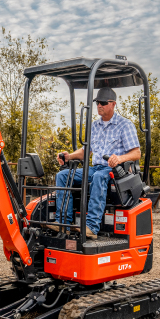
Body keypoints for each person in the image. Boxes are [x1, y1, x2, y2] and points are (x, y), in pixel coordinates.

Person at [48, 87, 141, 240]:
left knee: (99, 177)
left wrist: (119, 158)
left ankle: (91, 226)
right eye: (97, 102)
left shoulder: (125, 125)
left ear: (113, 104)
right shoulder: (94, 126)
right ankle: (63, 223)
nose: (99, 105)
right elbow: (85, 152)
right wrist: (69, 156)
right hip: (95, 168)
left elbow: (136, 153)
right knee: (63, 175)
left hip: (115, 171)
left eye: (103, 103)